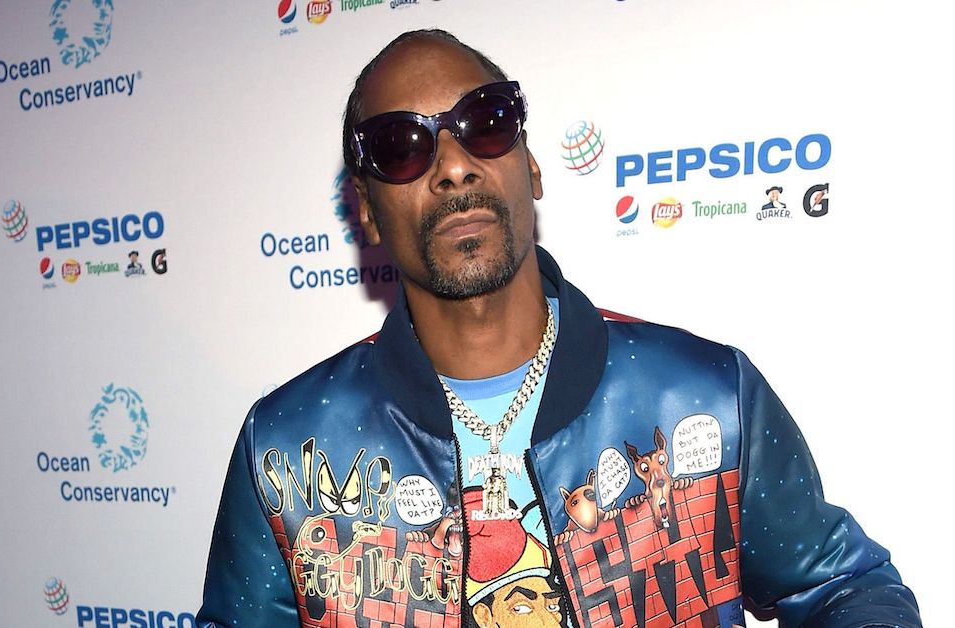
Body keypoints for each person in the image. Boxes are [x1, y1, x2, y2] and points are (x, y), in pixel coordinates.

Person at [197, 30, 920, 628]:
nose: (453, 167)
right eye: (401, 146)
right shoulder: (286, 447)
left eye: (485, 123)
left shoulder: (704, 396)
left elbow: (845, 587)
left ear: (532, 165)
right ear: (364, 209)